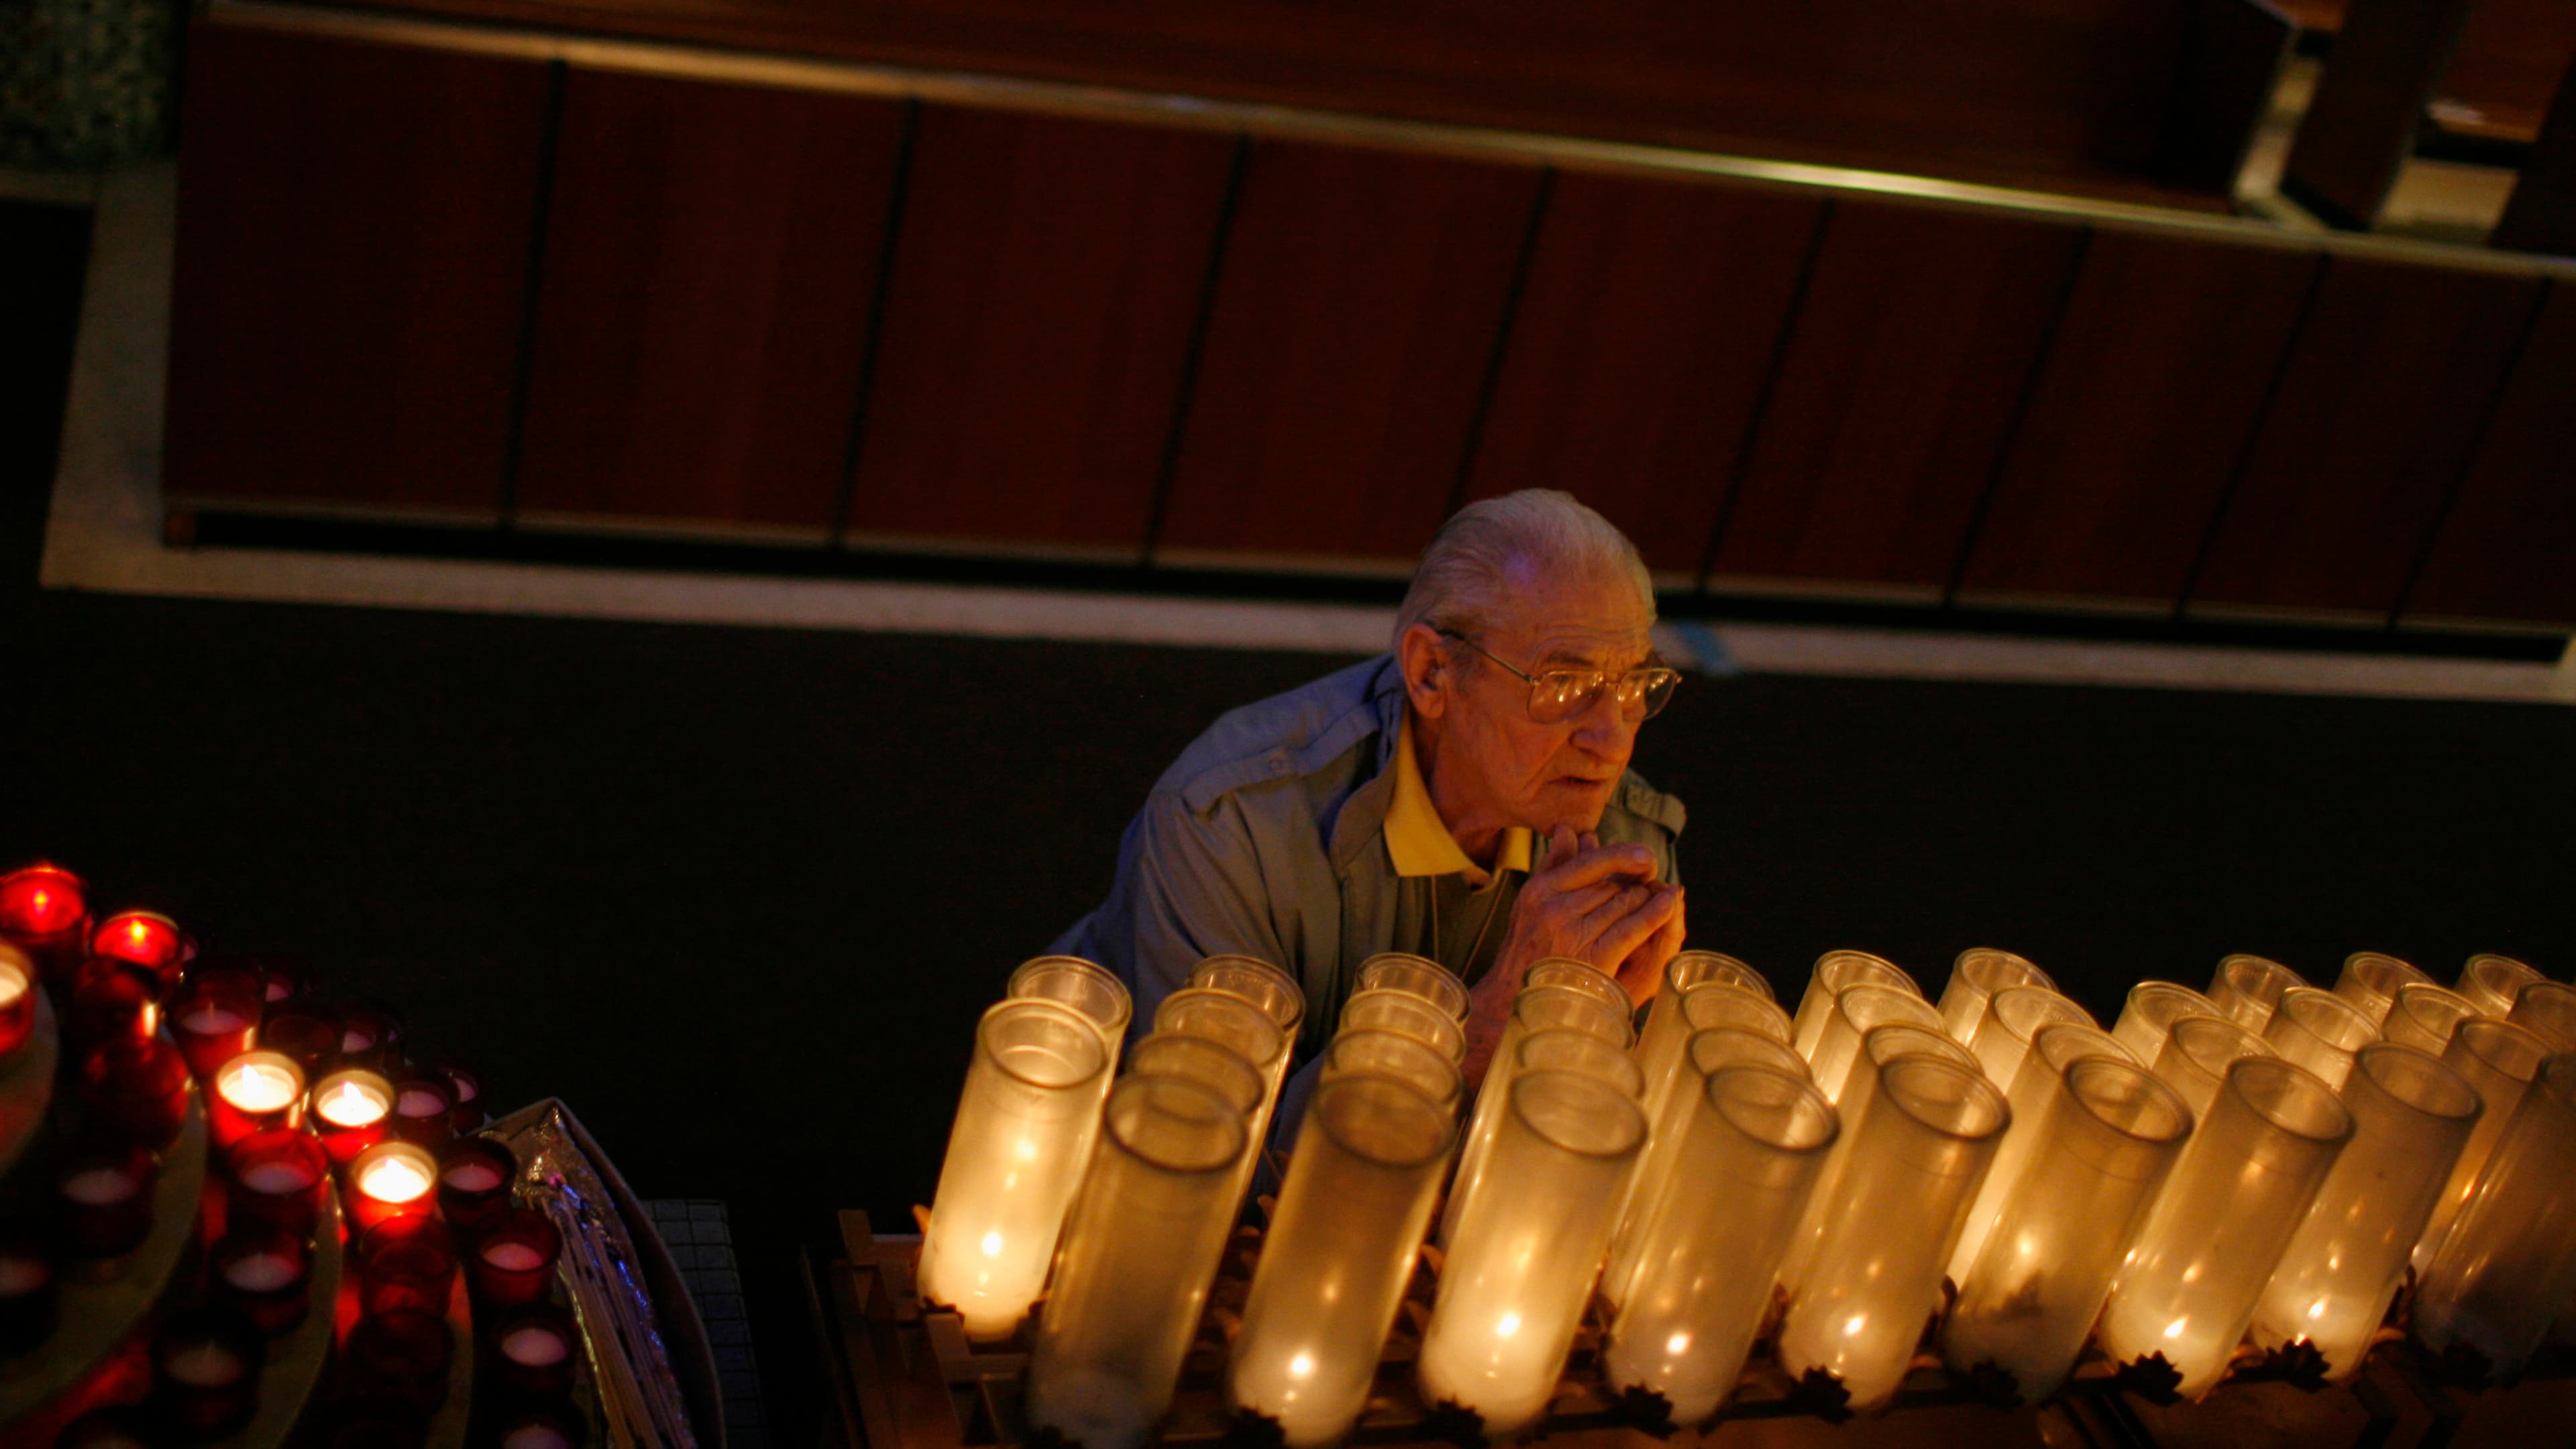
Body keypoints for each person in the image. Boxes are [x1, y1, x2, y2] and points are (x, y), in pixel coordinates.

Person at [1051, 489, 1688, 1084]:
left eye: (1634, 686)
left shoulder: (1622, 842)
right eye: (1563, 685)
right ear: (1431, 673)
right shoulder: (1233, 827)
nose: (1612, 740)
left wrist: (1600, 1035)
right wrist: (1494, 1024)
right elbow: (1208, 1136)